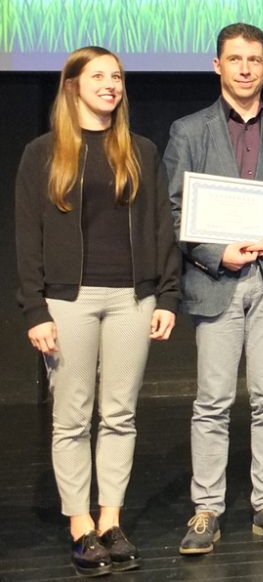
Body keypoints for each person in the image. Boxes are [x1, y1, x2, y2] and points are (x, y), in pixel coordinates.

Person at [15, 47, 180, 576]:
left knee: (120, 414)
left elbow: (161, 227)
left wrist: (167, 296)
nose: (111, 84)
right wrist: (34, 309)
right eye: (99, 76)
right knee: (71, 418)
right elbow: (27, 237)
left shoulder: (141, 151)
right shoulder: (43, 153)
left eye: (117, 77)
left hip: (132, 299)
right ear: (73, 86)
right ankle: (80, 525)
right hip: (68, 302)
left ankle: (111, 519)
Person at [163, 23, 263, 554]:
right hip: (216, 280)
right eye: (236, 59)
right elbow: (174, 209)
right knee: (212, 400)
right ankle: (206, 510)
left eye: (255, 59)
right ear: (218, 66)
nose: (246, 68)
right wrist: (214, 252)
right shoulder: (189, 130)